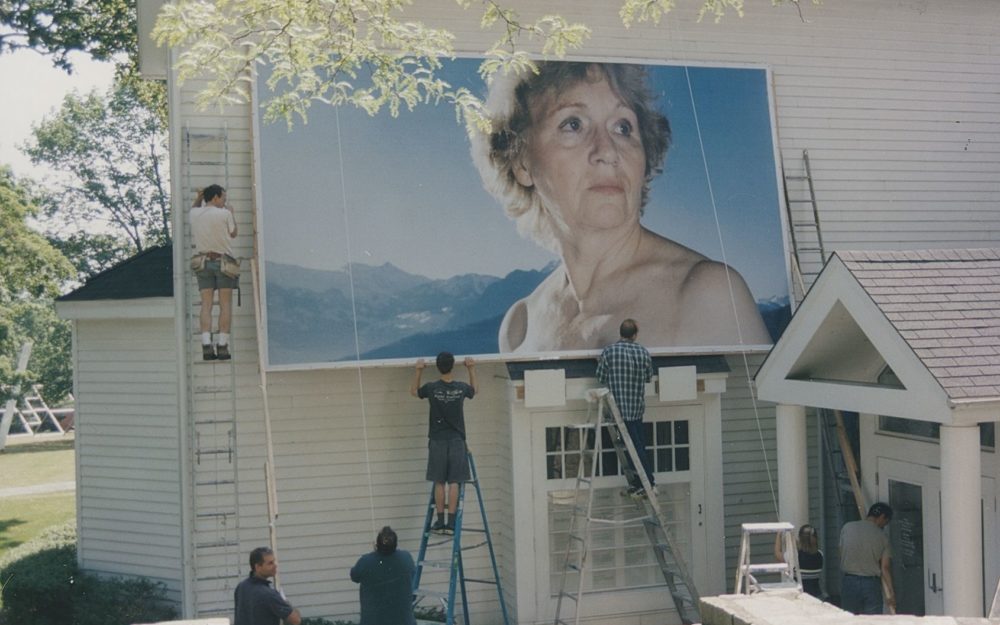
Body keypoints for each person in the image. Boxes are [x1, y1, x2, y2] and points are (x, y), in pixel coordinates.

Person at [469, 62, 770, 353]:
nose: (608, 151)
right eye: (573, 124)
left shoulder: (707, 294)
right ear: (521, 162)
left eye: (623, 127)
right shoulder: (520, 326)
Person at [410, 352, 477, 533]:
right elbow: (474, 390)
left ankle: (440, 521)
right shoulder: (461, 388)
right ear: (452, 366)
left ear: (438, 367)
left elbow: (414, 392)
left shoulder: (432, 388)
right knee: (454, 481)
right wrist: (471, 369)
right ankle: (452, 522)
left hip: (438, 440)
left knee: (439, 482)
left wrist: (418, 371)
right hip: (456, 441)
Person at [596, 319, 654, 499]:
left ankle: (645, 483)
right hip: (636, 409)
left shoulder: (609, 352)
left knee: (631, 448)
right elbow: (648, 378)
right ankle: (644, 484)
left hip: (618, 410)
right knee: (637, 446)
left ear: (620, 333)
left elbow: (600, 376)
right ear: (635, 334)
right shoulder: (643, 352)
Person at [191, 184, 238, 360]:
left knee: (206, 305)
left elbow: (195, 207)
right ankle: (223, 345)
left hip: (202, 262)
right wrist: (231, 213)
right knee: (225, 305)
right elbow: (233, 233)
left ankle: (206, 344)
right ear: (216, 197)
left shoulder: (195, 213)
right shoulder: (225, 214)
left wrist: (199, 197)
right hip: (223, 262)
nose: (224, 202)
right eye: (223, 198)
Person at [350, 526, 417, 625]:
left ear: (377, 544)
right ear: (395, 544)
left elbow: (354, 576)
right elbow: (412, 573)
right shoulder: (406, 557)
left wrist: (375, 554)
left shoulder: (366, 561)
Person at [839, 502, 895, 614]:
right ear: (882, 517)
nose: (884, 526)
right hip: (870, 584)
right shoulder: (883, 537)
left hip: (849, 581)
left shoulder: (847, 527)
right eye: (885, 522)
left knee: (849, 618)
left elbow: (841, 553)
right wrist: (891, 593)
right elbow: (885, 568)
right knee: (872, 620)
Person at [234, 546, 301, 625]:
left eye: (274, 561)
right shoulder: (269, 594)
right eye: (270, 563)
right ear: (258, 567)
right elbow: (295, 620)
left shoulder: (241, 587)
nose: (275, 565)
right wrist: (283, 600)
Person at [773, 523, 824, 598]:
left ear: (800, 539)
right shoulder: (820, 555)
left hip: (801, 596)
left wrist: (778, 534)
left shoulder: (795, 556)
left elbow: (777, 554)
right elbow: (807, 552)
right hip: (816, 595)